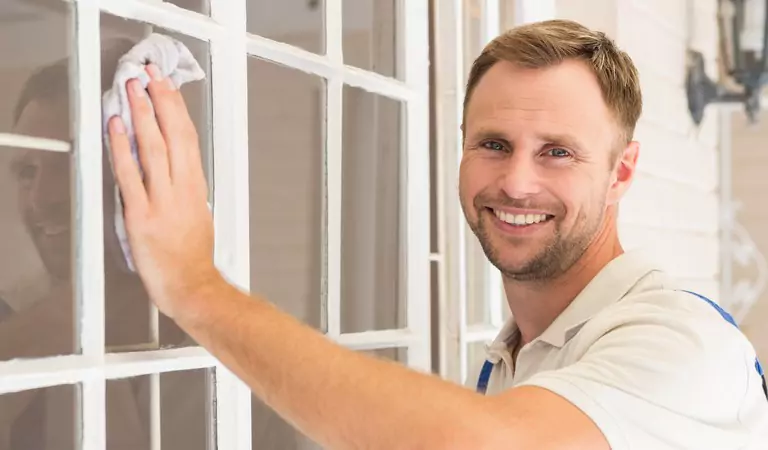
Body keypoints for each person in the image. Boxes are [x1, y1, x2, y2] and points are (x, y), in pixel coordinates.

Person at [106, 19, 768, 449]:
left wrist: (197, 287)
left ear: (621, 172)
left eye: (557, 152)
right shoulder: (514, 359)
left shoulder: (684, 347)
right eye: (493, 143)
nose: (514, 182)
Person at [1, 39, 202, 450]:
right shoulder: (13, 319)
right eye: (26, 172)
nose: (40, 199)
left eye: (70, 164)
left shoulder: (227, 354)